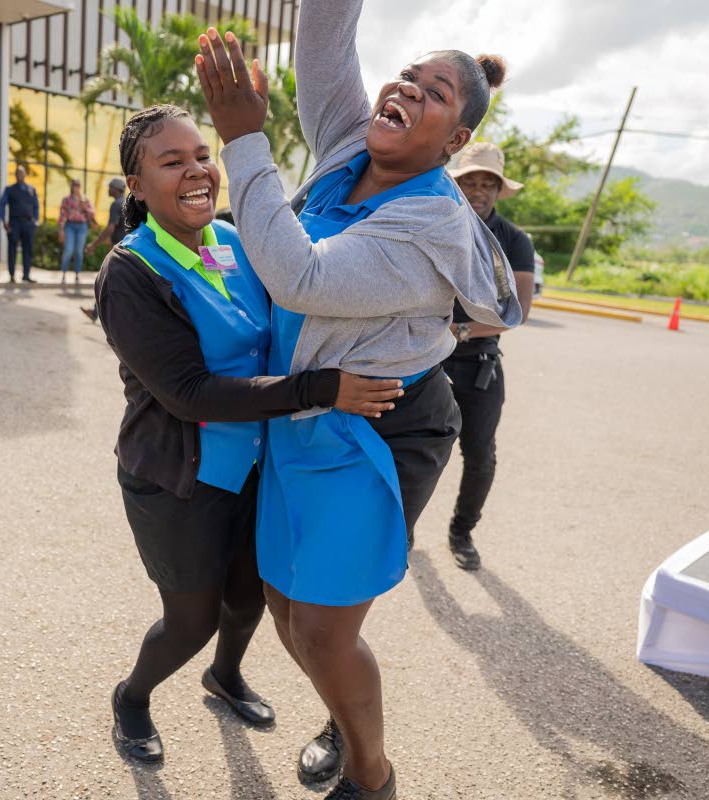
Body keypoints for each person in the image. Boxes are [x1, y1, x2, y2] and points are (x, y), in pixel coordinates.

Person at [196, 3, 522, 796]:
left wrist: (243, 138)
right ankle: (345, 718)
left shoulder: (431, 225)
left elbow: (300, 276)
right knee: (283, 602)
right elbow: (325, 39)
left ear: (452, 143)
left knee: (323, 622)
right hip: (306, 409)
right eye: (408, 75)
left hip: (381, 424)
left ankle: (371, 775)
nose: (408, 87)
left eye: (435, 91)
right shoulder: (351, 145)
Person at [95, 104, 405, 765]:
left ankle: (226, 676)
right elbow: (189, 394)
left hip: (259, 466)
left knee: (247, 597)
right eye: (171, 161)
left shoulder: (231, 239)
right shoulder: (131, 271)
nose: (197, 171)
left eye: (202, 155)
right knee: (192, 620)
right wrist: (319, 391)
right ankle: (133, 697)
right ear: (137, 184)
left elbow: (306, 299)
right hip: (179, 477)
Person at [444, 142, 535, 570]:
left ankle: (462, 532)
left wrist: (458, 331)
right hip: (424, 360)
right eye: (469, 181)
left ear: (498, 190)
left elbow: (514, 314)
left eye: (487, 183)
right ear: (456, 184)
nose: (478, 190)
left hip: (477, 363)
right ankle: (397, 530)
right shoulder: (436, 224)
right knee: (402, 445)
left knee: (480, 457)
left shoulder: (515, 241)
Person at [82, 176, 126, 321]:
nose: (108, 189)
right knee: (112, 281)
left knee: (105, 280)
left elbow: (110, 228)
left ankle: (98, 313)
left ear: (116, 189)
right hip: (128, 248)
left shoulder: (116, 204)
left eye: (110, 187)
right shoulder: (128, 202)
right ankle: (96, 312)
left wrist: (93, 244)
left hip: (120, 251)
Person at [0, 165, 39, 284]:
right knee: (12, 249)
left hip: (28, 223)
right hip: (14, 223)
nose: (19, 175)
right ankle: (11, 275)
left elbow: (36, 206)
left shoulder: (31, 189)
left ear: (25, 174)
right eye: (17, 173)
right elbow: (2, 205)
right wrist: (4, 221)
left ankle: (26, 275)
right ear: (15, 175)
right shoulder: (9, 189)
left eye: (21, 173)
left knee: (28, 249)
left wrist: (35, 221)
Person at [57, 178, 94, 284]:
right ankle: (63, 273)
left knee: (78, 251)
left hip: (82, 226)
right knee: (68, 250)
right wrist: (60, 229)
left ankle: (77, 274)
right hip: (70, 225)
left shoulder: (85, 199)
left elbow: (92, 213)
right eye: (74, 185)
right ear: (71, 186)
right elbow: (62, 214)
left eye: (78, 185)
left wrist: (85, 208)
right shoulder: (66, 199)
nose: (76, 187)